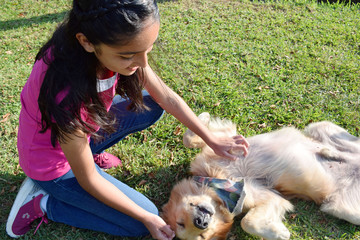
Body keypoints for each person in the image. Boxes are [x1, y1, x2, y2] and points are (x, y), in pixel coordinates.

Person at [6, 0, 250, 239]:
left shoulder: (97, 42)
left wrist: (211, 138)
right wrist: (146, 218)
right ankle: (44, 204)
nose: (143, 64)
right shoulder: (68, 98)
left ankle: (88, 152)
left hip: (78, 138)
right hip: (51, 165)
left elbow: (165, 96)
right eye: (128, 55)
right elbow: (88, 179)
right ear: (87, 42)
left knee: (151, 105)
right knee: (140, 223)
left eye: (148, 49)